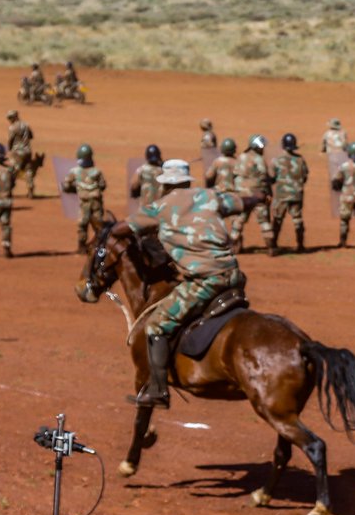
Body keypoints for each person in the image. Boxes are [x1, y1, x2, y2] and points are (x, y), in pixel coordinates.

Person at [113, 160, 266, 408]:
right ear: (186, 181)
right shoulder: (209, 196)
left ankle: (158, 390)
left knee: (156, 325)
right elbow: (243, 202)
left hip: (204, 282)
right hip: (234, 277)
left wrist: (114, 229)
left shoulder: (159, 207)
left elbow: (123, 228)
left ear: (165, 184)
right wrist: (259, 197)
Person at [230, 135, 275, 254]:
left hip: (242, 196)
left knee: (238, 222)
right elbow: (264, 177)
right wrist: (267, 193)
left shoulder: (241, 157)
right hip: (257, 196)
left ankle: (234, 247)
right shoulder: (259, 159)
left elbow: (235, 174)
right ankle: (270, 248)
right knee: (264, 221)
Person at [62, 143, 107, 253]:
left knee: (82, 224)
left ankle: (81, 247)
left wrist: (76, 189)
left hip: (84, 202)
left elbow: (66, 186)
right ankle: (100, 247)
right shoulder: (97, 171)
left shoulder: (75, 171)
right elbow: (103, 185)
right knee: (99, 225)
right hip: (96, 201)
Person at [270, 133, 309, 253]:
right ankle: (300, 245)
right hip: (297, 194)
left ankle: (273, 244)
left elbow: (272, 177)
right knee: (297, 219)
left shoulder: (276, 160)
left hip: (281, 195)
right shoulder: (301, 160)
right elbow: (305, 176)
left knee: (277, 219)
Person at [5, 110, 37, 198]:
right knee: (28, 170)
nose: (9, 120)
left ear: (14, 117)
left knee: (13, 171)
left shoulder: (12, 127)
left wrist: (10, 149)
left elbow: (10, 140)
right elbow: (31, 136)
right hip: (28, 151)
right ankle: (31, 191)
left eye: (10, 118)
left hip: (17, 152)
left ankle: (8, 191)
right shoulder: (26, 125)